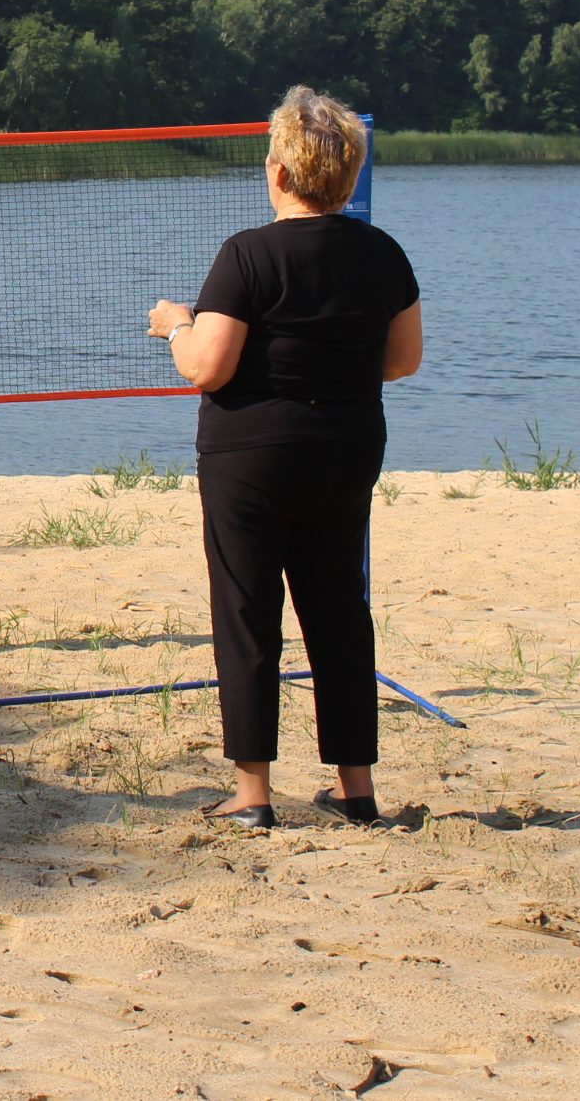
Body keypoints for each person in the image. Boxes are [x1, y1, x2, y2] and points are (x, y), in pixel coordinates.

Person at [148, 86, 423, 829]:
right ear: (347, 172)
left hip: (252, 454)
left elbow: (208, 366)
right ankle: (357, 787)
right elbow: (403, 359)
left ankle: (252, 792)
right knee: (339, 608)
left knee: (247, 610)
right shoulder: (383, 252)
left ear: (278, 172)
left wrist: (176, 324)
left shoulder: (248, 254)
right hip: (345, 446)